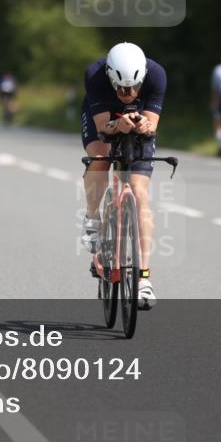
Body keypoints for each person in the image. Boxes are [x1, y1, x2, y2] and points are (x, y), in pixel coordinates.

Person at [80, 42, 166, 310]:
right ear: (110, 77)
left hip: (138, 124)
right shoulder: (95, 75)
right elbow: (102, 127)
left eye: (133, 88)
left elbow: (151, 126)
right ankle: (93, 218)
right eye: (121, 89)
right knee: (100, 157)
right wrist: (117, 124)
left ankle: (143, 279)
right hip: (105, 119)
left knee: (140, 194)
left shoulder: (156, 75)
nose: (128, 94)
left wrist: (143, 125)